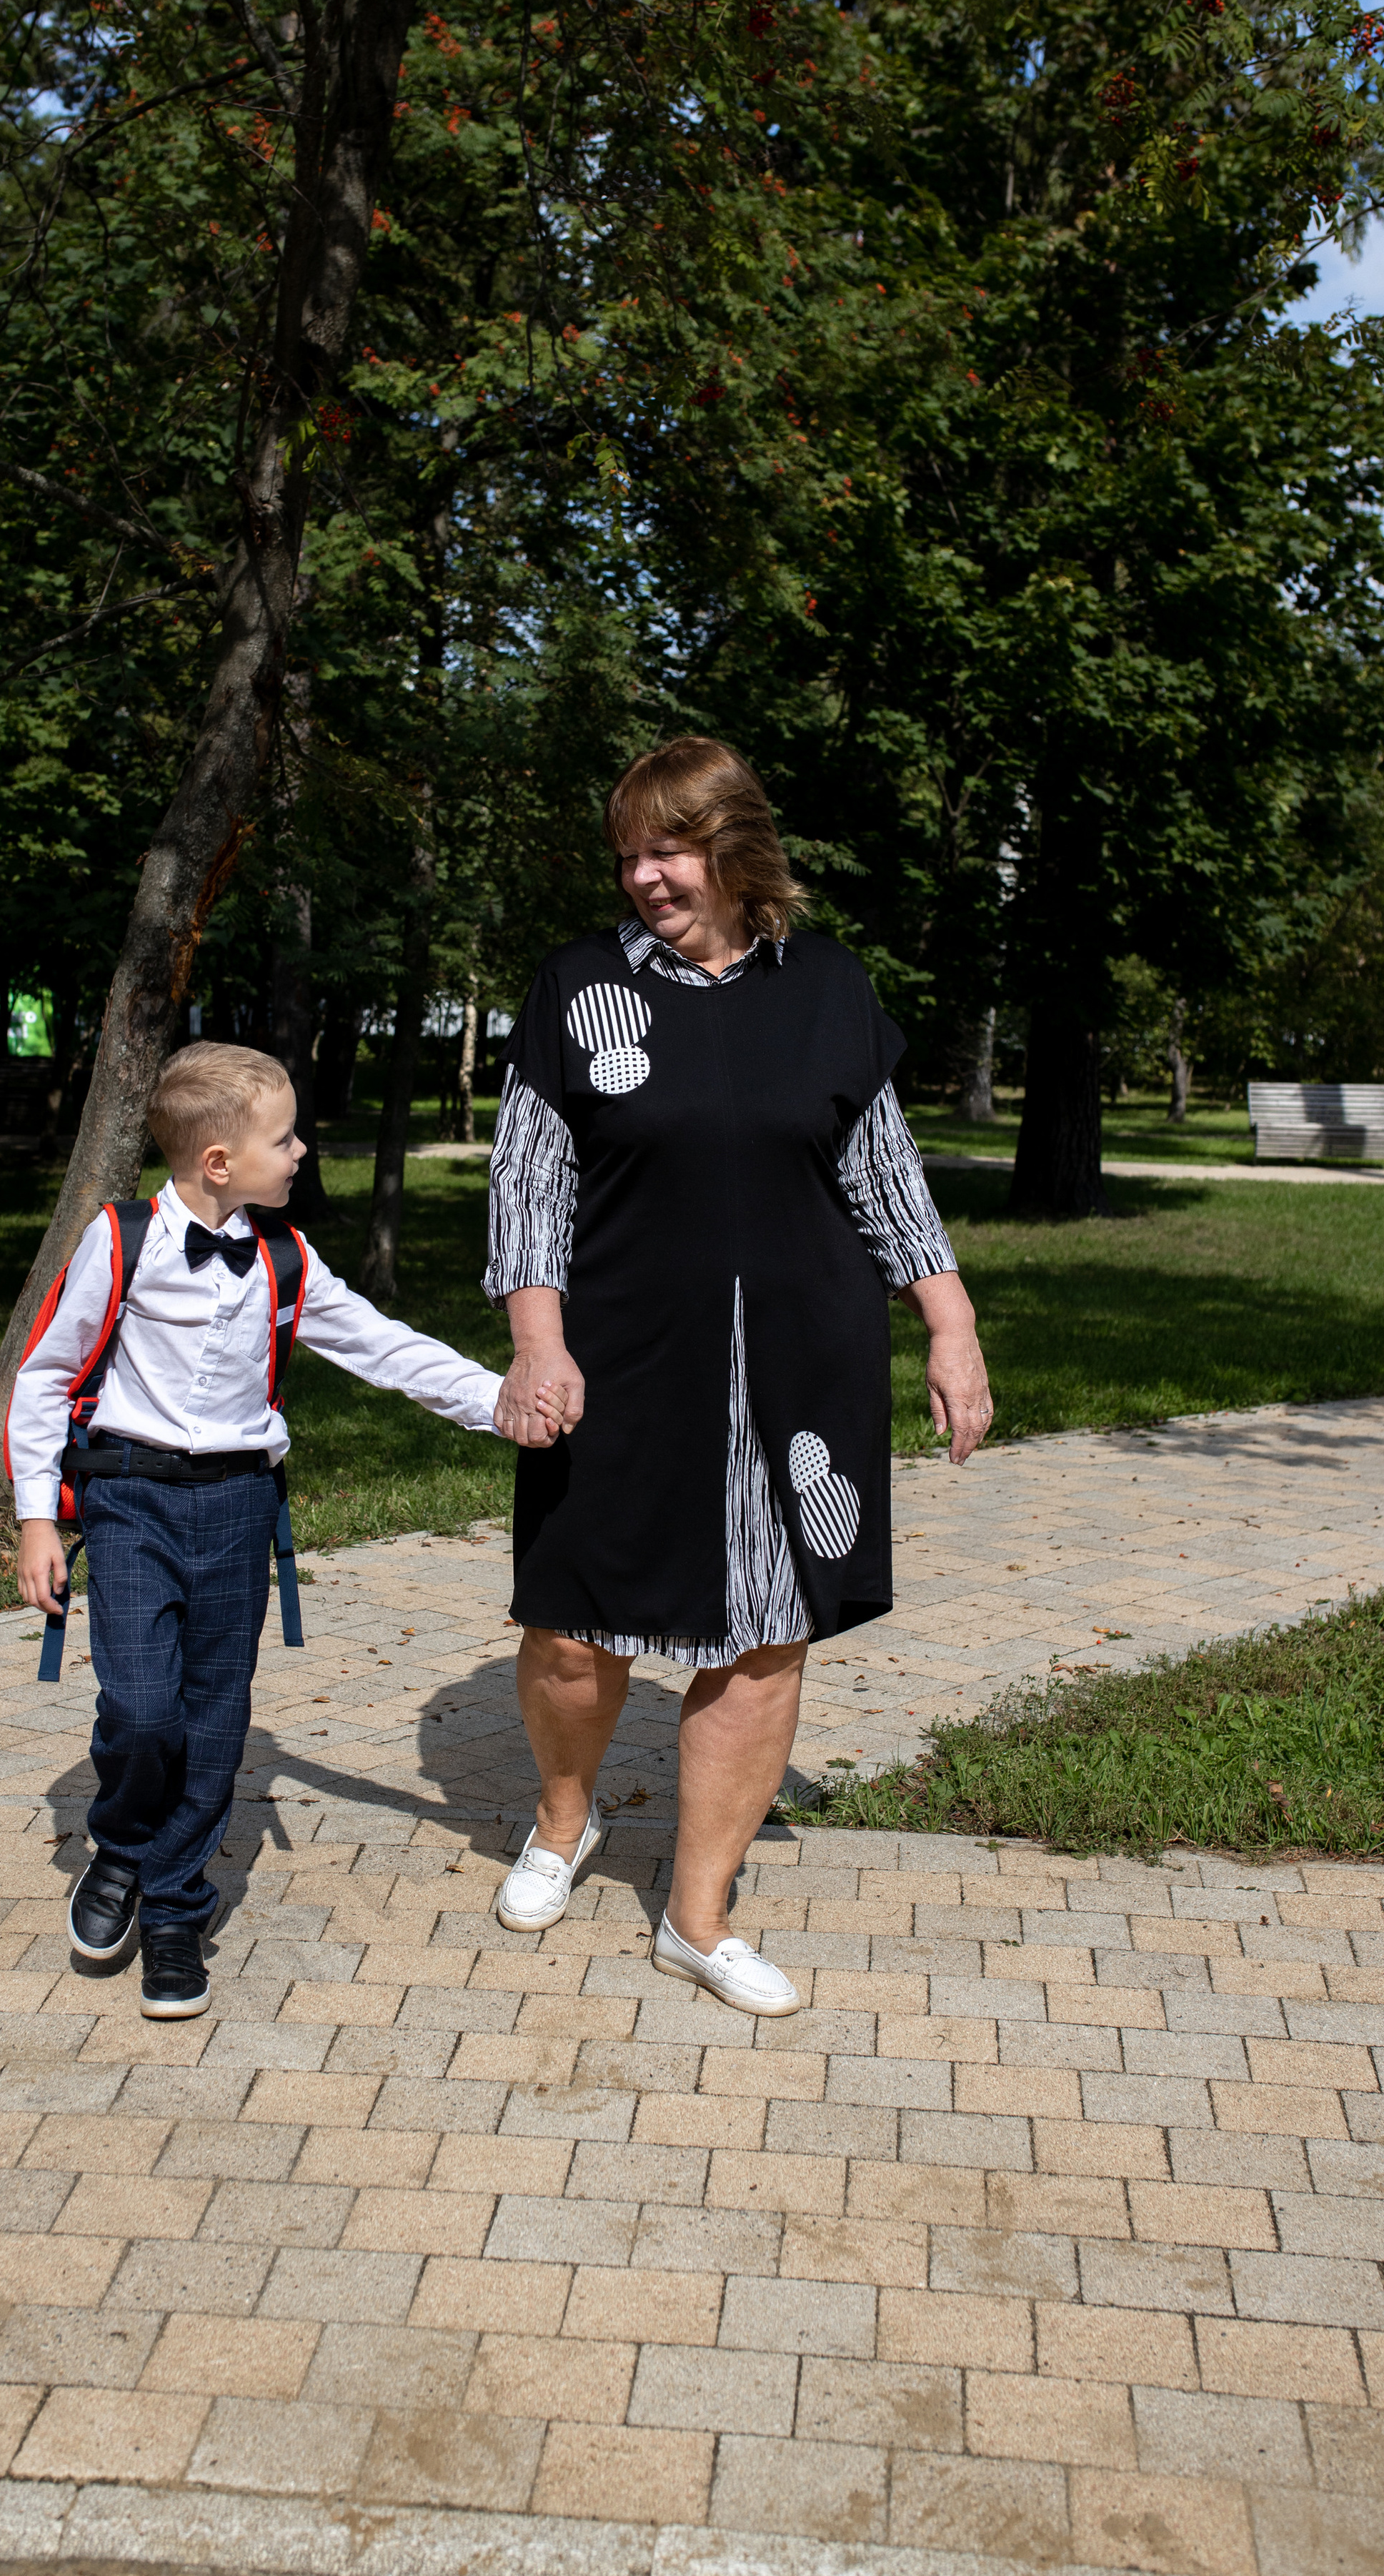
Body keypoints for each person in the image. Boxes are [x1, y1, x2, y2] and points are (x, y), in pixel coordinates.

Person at [486, 736, 993, 2016]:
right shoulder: (578, 986)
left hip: (799, 1361)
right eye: (629, 854)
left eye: (668, 847)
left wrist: (950, 1322)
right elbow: (528, 1184)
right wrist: (537, 1340)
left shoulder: (825, 986)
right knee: (571, 1628)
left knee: (767, 1633)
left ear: (735, 847)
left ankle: (698, 1914)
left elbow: (883, 1173)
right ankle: (563, 1821)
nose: (645, 876)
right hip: (618, 1358)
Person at [11, 1041, 552, 2018]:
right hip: (129, 1500)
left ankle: (176, 1909)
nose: (302, 1149)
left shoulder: (286, 1257)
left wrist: (503, 1399)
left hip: (236, 1510)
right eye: (285, 1135)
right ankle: (121, 1848)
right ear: (220, 1161)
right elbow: (46, 1376)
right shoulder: (119, 1238)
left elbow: (383, 1347)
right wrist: (36, 1520)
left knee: (216, 1715)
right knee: (141, 1708)